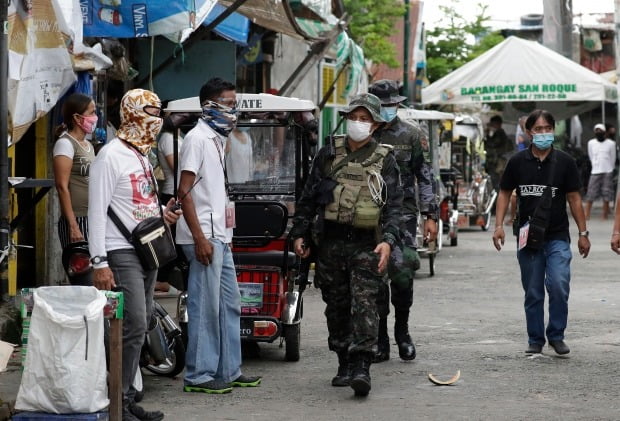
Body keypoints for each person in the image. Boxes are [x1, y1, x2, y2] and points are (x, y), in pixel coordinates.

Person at [290, 93, 403, 397]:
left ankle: (362, 366)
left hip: (368, 244)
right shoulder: (328, 154)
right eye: (354, 116)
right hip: (331, 243)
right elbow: (310, 196)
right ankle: (343, 361)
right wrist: (299, 232)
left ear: (376, 124)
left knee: (365, 303)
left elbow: (395, 207)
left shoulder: (385, 159)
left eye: (365, 118)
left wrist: (389, 242)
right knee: (336, 306)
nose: (358, 123)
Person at [88, 88, 181, 421]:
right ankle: (118, 401)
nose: (157, 119)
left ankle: (125, 399)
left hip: (148, 249)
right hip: (120, 250)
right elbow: (97, 212)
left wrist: (164, 214)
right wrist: (99, 262)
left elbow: (140, 204)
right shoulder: (110, 156)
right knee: (134, 323)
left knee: (138, 327)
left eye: (159, 112)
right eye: (151, 112)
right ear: (133, 114)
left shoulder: (142, 155)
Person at [176, 77, 261, 394]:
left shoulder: (215, 139)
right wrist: (199, 238)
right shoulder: (196, 139)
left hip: (220, 236)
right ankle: (198, 375)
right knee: (205, 306)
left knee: (230, 303)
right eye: (228, 102)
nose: (233, 109)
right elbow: (183, 191)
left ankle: (228, 369)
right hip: (204, 236)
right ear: (209, 106)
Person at [492, 109, 590, 356]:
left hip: (557, 236)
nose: (544, 133)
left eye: (548, 129)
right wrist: (498, 226)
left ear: (553, 131)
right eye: (539, 129)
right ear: (529, 132)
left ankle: (556, 335)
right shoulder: (516, 162)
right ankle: (535, 339)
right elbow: (504, 193)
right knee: (533, 291)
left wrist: (583, 233)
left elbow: (575, 199)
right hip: (528, 238)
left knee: (558, 285)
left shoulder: (565, 162)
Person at [368, 79, 438, 363]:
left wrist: (431, 215)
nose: (388, 110)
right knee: (374, 277)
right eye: (382, 106)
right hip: (369, 216)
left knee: (402, 273)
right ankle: (381, 338)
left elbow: (425, 176)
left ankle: (402, 331)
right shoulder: (361, 134)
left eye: (392, 105)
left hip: (405, 215)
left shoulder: (412, 135)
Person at [53, 93, 97, 254]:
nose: (95, 117)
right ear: (77, 118)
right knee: (84, 276)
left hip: (91, 217)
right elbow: (61, 186)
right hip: (77, 219)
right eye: (91, 113)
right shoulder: (65, 144)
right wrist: (73, 225)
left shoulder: (88, 145)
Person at [584, 123, 616, 220]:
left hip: (607, 171)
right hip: (595, 171)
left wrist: (610, 168)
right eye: (597, 131)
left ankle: (604, 214)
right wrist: (595, 165)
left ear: (604, 132)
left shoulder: (611, 143)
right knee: (591, 193)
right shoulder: (591, 143)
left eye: (600, 131)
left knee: (606, 193)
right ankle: (586, 214)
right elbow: (591, 156)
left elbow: (613, 158)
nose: (599, 132)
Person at [485, 115, 514, 191]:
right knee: (493, 182)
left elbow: (493, 144)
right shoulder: (497, 133)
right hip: (493, 162)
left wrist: (488, 134)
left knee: (496, 183)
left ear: (497, 124)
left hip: (497, 163)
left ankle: (497, 200)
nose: (492, 126)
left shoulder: (500, 133)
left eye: (493, 124)